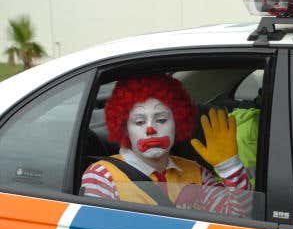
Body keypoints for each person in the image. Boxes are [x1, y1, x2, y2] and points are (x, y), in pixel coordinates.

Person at [81, 74, 251, 217]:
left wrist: (229, 166)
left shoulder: (196, 172)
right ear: (124, 128)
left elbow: (239, 217)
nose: (150, 129)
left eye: (161, 120)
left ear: (177, 122)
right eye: (139, 122)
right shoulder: (103, 176)